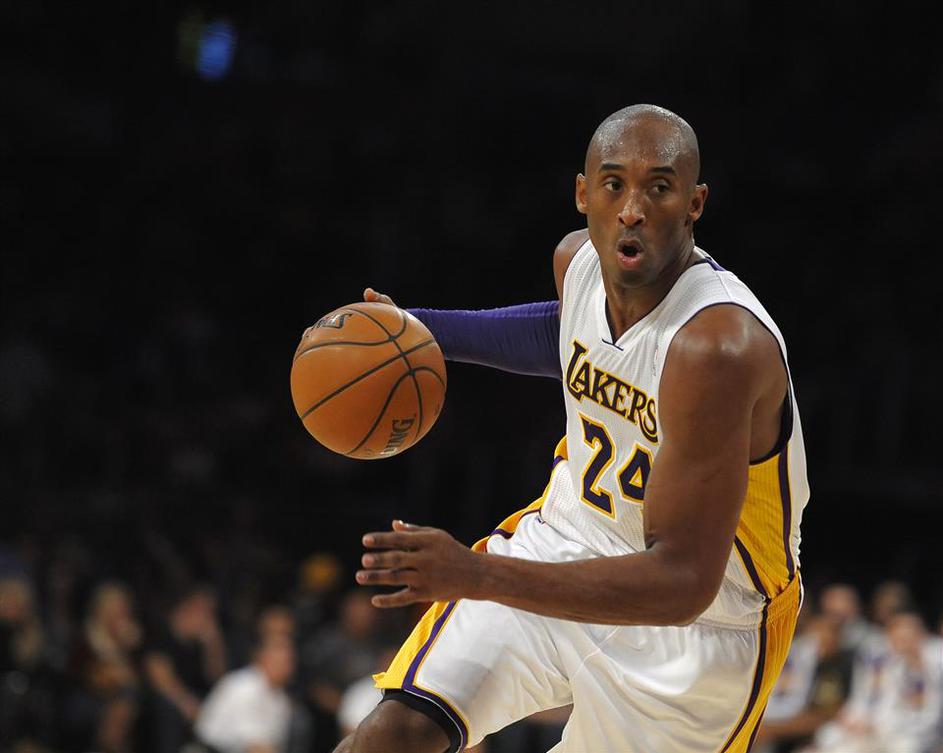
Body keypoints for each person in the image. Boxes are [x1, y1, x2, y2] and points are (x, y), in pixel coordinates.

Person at [333, 104, 810, 752]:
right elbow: (564, 334)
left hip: (697, 631)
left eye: (659, 187)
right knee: (390, 736)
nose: (632, 209)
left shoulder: (718, 348)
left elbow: (681, 583)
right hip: (569, 539)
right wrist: (417, 332)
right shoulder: (578, 262)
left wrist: (478, 575)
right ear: (583, 193)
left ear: (695, 204)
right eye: (614, 184)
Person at [194, 635, 296, 753]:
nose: (286, 668)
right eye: (280, 661)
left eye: (289, 662)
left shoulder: (282, 700)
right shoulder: (243, 686)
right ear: (262, 658)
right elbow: (253, 746)